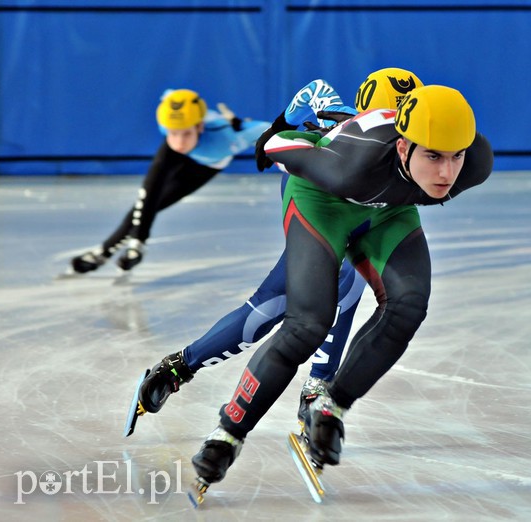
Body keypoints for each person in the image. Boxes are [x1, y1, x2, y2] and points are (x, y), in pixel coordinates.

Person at [190, 84, 494, 490]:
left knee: (408, 306)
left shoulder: (476, 164)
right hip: (324, 199)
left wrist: (444, 159)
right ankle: (227, 433)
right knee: (307, 324)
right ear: (403, 149)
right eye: (433, 156)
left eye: (456, 156)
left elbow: (439, 164)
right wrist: (271, 136)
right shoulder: (348, 161)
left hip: (388, 208)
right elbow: (283, 142)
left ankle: (331, 408)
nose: (446, 173)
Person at [130, 69, 425, 433]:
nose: (397, 139)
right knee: (324, 288)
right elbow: (317, 92)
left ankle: (184, 366)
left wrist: (278, 124)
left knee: (280, 303)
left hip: (350, 203)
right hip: (315, 196)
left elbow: (315, 89)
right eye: (387, 125)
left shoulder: (408, 145)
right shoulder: (341, 120)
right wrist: (277, 131)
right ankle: (189, 368)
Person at [67, 89, 270, 274]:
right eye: (173, 132)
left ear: (200, 127)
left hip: (207, 163)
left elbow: (265, 129)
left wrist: (241, 124)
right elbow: (170, 95)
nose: (180, 142)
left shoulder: (227, 139)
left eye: (186, 133)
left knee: (159, 201)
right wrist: (138, 240)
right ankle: (121, 247)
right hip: (174, 153)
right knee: (148, 196)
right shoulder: (174, 124)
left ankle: (108, 250)